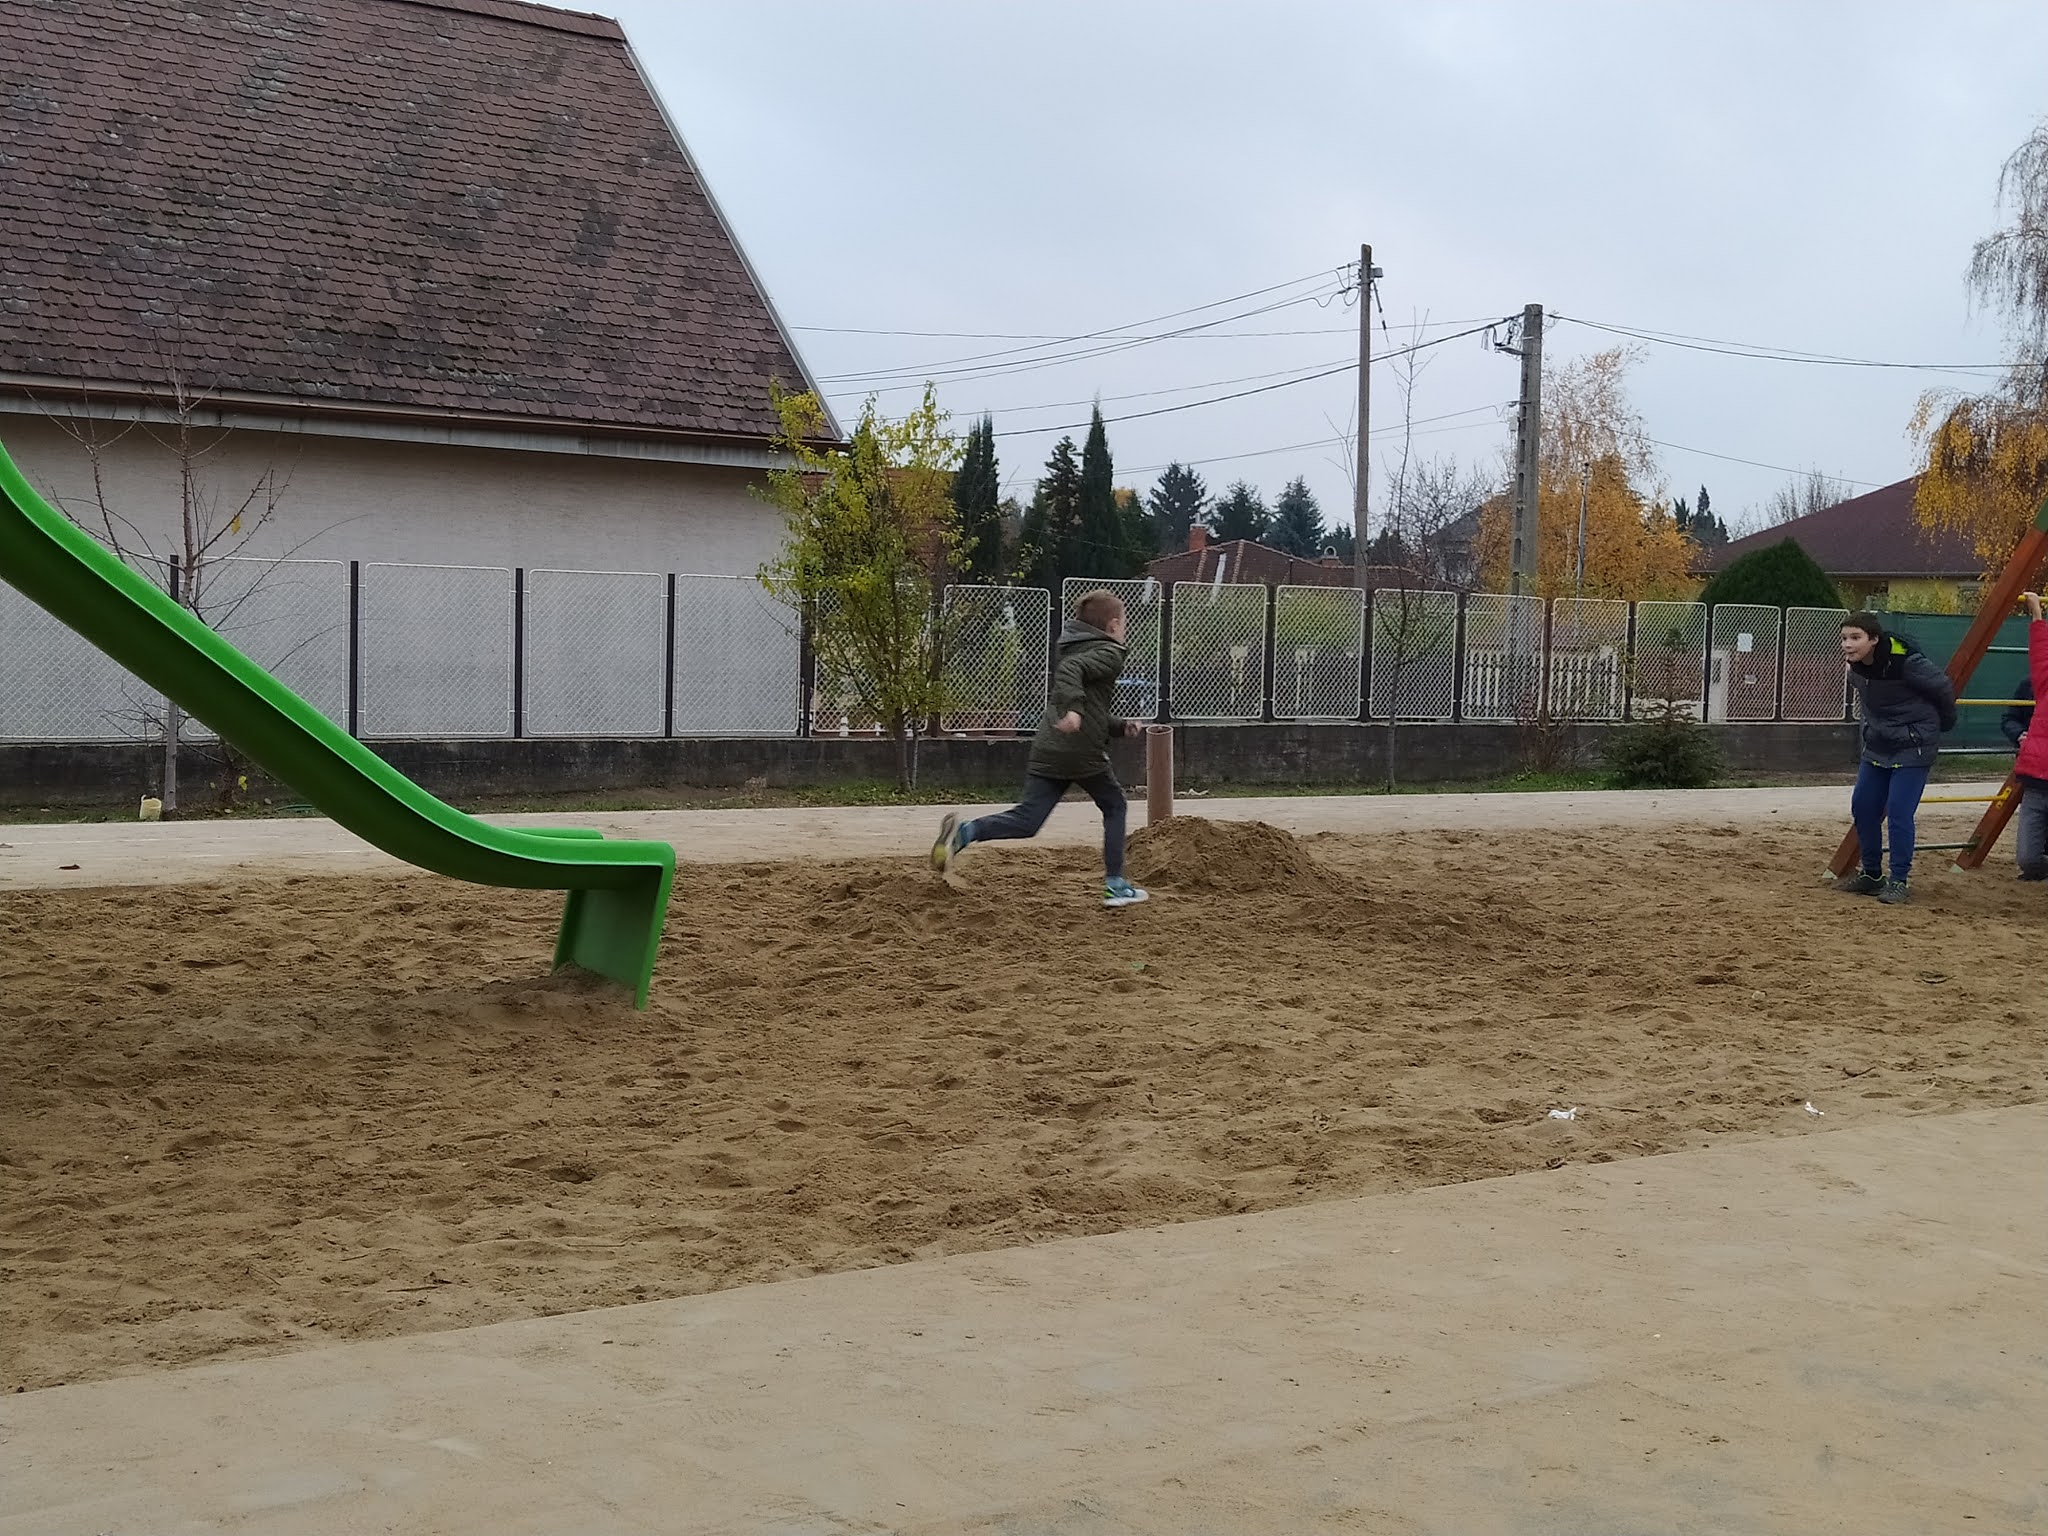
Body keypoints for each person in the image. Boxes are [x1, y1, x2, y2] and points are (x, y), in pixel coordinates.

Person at [931, 589, 1149, 907]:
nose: (1125, 629)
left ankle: (966, 832)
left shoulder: (1075, 647)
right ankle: (1115, 885)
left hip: (1050, 745)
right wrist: (1074, 710)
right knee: (1115, 805)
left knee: (1027, 820)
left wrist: (1118, 725)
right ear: (1114, 625)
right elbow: (1072, 674)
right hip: (1080, 750)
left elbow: (1088, 702)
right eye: (1124, 622)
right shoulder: (1110, 652)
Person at [1837, 611, 1958, 903]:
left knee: (1899, 811)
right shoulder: (1855, 668)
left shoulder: (1906, 662)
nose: (1848, 644)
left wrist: (1941, 724)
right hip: (1879, 744)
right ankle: (1871, 875)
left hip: (1913, 744)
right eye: (1844, 638)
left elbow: (1943, 688)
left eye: (1855, 638)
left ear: (1873, 640)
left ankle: (1899, 880)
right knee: (1863, 806)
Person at [2012, 592, 2048, 883]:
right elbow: (2040, 654)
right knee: (2028, 858)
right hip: (2037, 781)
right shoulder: (2045, 686)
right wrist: (2036, 613)